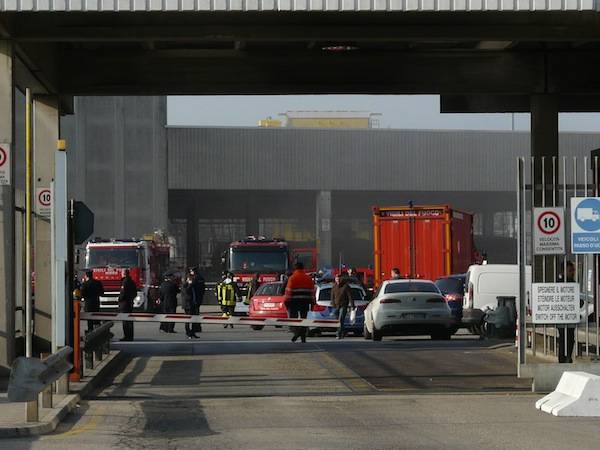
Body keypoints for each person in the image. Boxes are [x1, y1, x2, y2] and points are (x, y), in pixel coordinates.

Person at [284, 262, 315, 343]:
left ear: (295, 268)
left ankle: (297, 333)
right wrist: (312, 303)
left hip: (294, 302)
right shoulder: (308, 278)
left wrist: (286, 302)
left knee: (293, 321)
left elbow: (288, 291)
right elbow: (312, 292)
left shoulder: (292, 278)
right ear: (303, 268)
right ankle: (303, 336)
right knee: (303, 320)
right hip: (305, 302)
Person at [558, 261, 576, 363]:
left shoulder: (573, 283)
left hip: (570, 317)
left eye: (573, 270)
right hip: (562, 317)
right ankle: (563, 359)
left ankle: (567, 357)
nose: (572, 272)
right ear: (563, 271)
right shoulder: (560, 283)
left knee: (570, 339)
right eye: (570, 270)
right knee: (564, 339)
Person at [182, 268, 205, 339]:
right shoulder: (186, 283)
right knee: (188, 318)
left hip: (194, 302)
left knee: (195, 318)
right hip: (188, 303)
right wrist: (189, 284)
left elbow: (201, 290)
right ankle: (188, 332)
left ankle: (193, 332)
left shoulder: (197, 280)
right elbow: (186, 291)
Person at [331, 275, 355, 340]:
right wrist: (332, 304)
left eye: (339, 279)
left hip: (343, 305)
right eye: (337, 279)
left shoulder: (346, 286)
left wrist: (352, 305)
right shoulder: (334, 286)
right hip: (336, 306)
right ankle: (343, 332)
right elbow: (332, 296)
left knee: (340, 320)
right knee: (337, 321)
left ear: (341, 279)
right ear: (335, 280)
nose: (338, 281)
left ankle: (338, 334)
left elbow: (350, 296)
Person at [118, 269, 137, 341]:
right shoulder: (132, 282)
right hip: (130, 303)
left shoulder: (125, 282)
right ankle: (130, 336)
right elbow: (135, 293)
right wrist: (131, 298)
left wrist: (119, 299)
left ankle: (126, 336)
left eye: (122, 273)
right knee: (130, 320)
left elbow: (122, 293)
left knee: (125, 321)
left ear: (124, 274)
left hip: (124, 304)